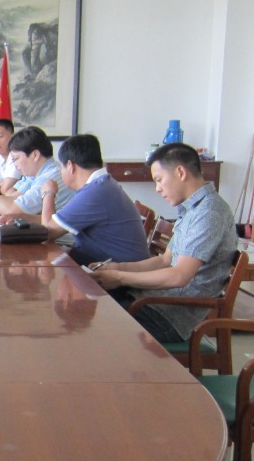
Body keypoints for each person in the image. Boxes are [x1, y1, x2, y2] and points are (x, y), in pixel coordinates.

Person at [92, 142, 238, 343]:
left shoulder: (209, 213)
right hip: (153, 301)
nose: (158, 189)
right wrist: (117, 267)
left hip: (169, 316)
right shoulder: (192, 209)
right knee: (90, 302)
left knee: (93, 321)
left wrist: (120, 278)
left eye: (159, 180)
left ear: (181, 172)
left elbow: (179, 276)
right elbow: (164, 260)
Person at [30, 134, 150, 267]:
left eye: (62, 167)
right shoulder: (102, 185)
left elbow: (47, 231)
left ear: (70, 166)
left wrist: (48, 193)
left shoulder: (95, 192)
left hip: (118, 274)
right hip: (105, 266)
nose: (61, 171)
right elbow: (56, 222)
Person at [0, 126, 73, 217]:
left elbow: (14, 210)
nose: (15, 165)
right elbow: (13, 199)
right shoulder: (35, 174)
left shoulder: (49, 177)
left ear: (35, 155)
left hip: (60, 238)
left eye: (16, 159)